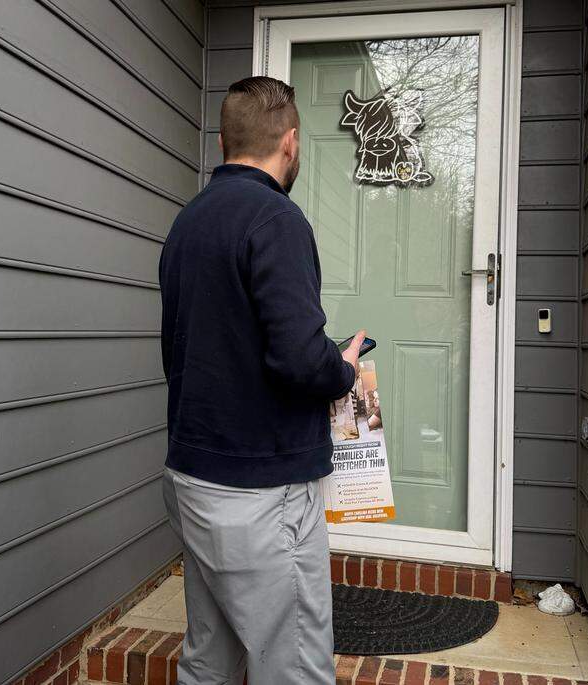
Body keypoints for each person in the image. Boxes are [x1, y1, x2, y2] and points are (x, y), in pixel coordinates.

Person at [159, 76, 366, 684]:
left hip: (194, 479)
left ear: (224, 141)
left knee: (210, 659)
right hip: (263, 493)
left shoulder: (187, 224)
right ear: (292, 143)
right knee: (295, 666)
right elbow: (302, 360)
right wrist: (344, 366)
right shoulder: (276, 219)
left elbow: (208, 345)